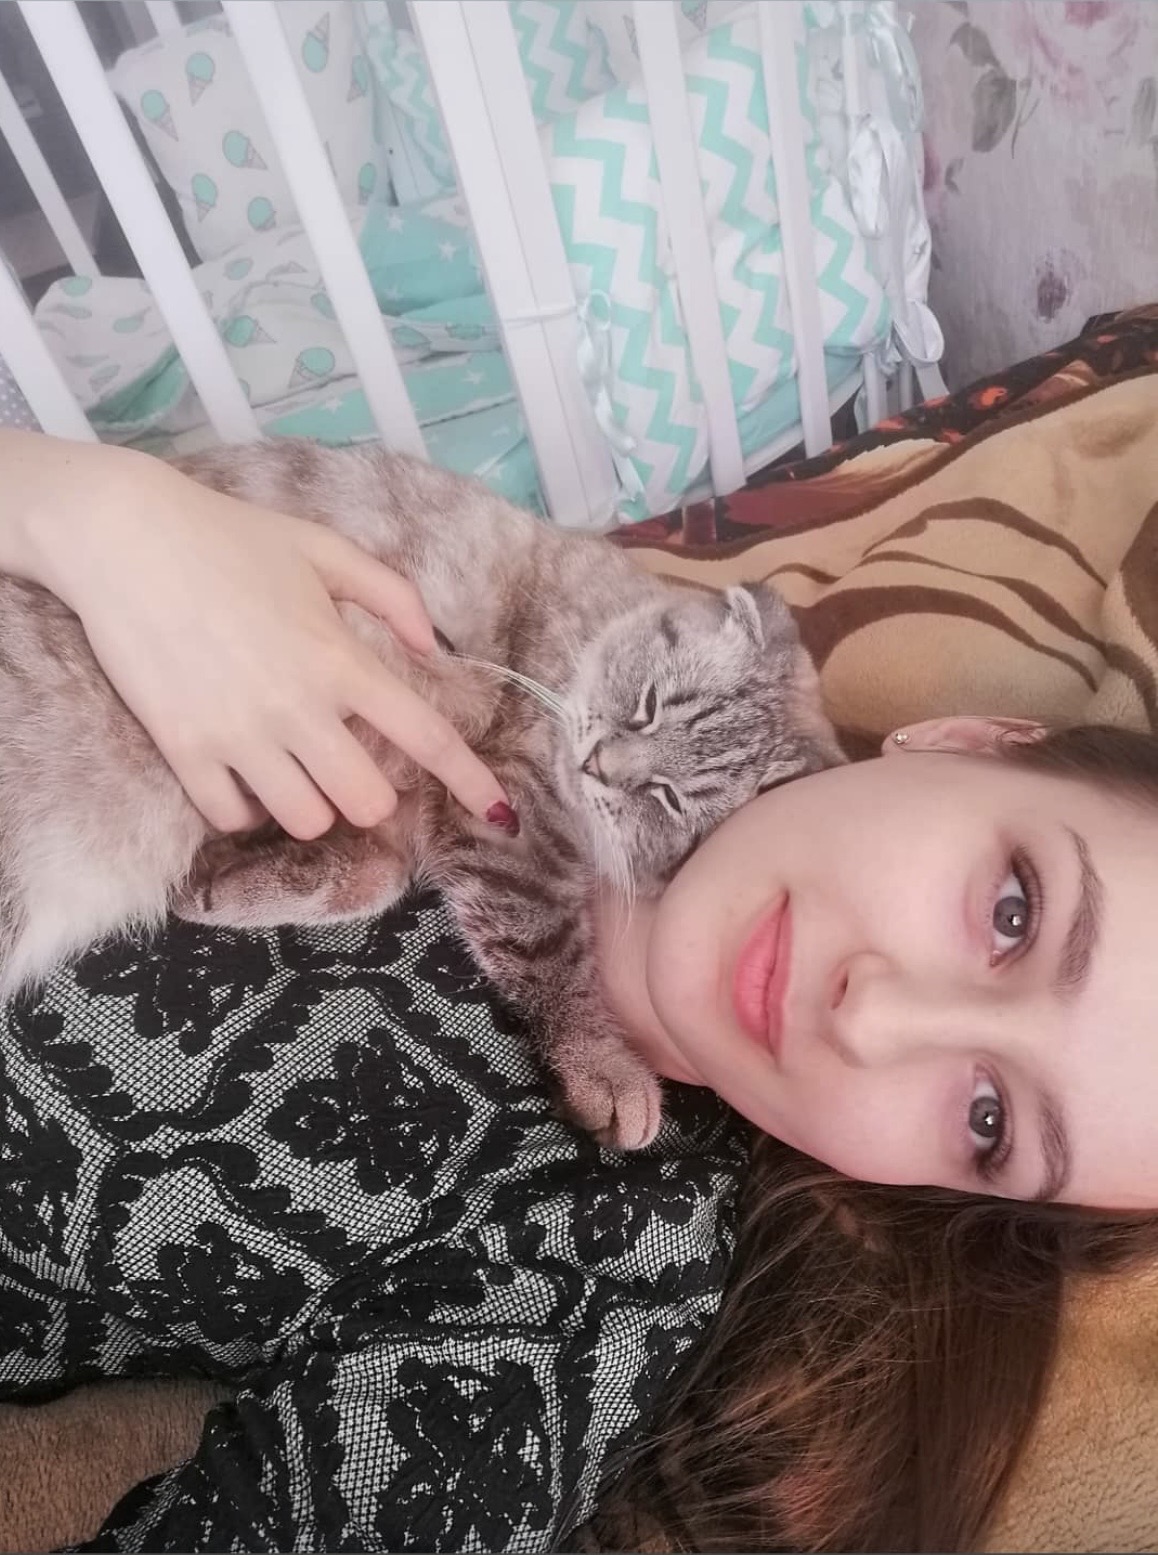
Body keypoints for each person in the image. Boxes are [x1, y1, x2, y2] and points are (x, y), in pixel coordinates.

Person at [2, 430, 1157, 1552]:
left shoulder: (600, 1261)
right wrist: (83, 507)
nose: (872, 1016)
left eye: (989, 1120)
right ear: (970, 741)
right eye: (1015, 911)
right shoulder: (624, 634)